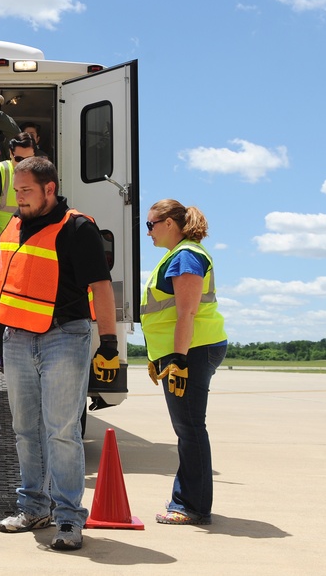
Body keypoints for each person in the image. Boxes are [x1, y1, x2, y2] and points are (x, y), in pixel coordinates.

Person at [0, 157, 117, 551]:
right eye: (17, 192)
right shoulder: (13, 225)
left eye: (26, 192)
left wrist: (110, 343)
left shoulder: (78, 227)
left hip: (63, 337)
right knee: (25, 430)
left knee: (62, 431)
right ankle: (33, 507)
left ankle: (67, 518)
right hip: (16, 338)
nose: (19, 200)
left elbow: (101, 286)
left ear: (50, 188)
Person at [141, 199, 227, 526]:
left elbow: (186, 312)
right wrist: (159, 355)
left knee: (190, 428)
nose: (147, 232)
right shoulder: (177, 255)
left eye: (151, 225)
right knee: (188, 428)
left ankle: (192, 506)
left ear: (169, 224)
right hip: (187, 350)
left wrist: (177, 358)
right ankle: (189, 500)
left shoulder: (186, 256)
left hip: (192, 351)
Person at [0, 132, 38, 242]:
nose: (23, 164)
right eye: (19, 159)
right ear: (10, 153)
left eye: (28, 159)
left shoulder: (39, 175)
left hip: (27, 241)